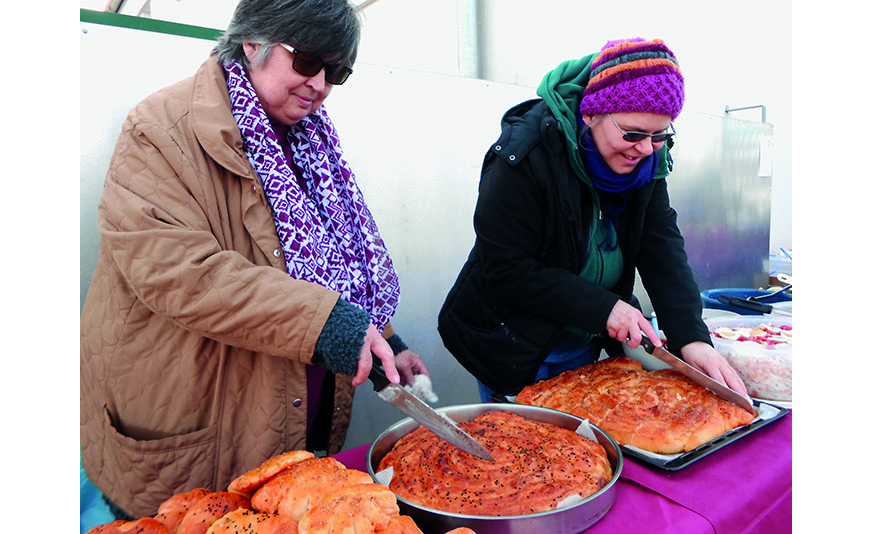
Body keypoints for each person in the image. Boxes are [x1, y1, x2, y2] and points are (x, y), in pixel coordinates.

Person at [80, 0, 430, 519]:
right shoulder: (161, 129)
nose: (320, 85)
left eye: (337, 72)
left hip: (290, 417)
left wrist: (383, 339)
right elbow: (180, 273)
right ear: (253, 42)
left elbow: (335, 268)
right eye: (308, 61)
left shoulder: (311, 141)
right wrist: (332, 325)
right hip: (199, 428)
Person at [438, 37, 749, 402]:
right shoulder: (526, 153)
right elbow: (507, 267)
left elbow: (661, 245)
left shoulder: (646, 161)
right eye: (633, 134)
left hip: (584, 336)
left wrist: (691, 338)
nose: (646, 149)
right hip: (512, 341)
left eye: (660, 135)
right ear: (591, 114)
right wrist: (604, 307)